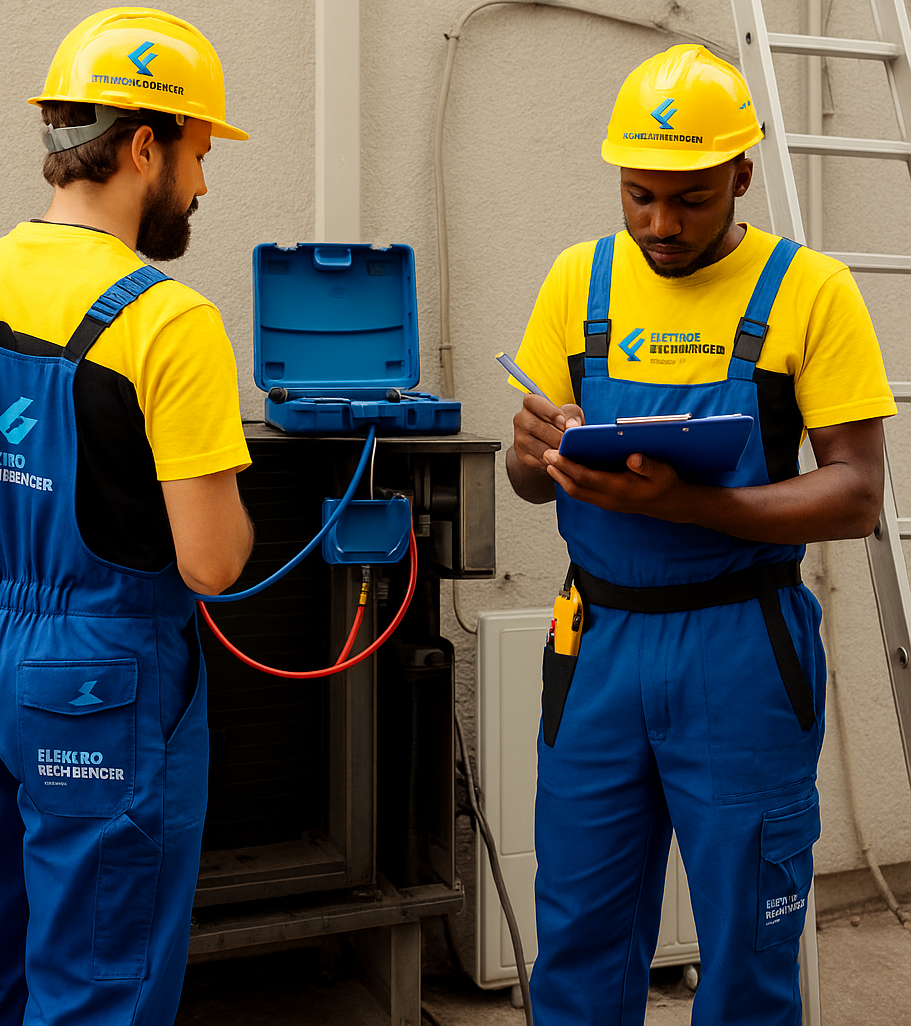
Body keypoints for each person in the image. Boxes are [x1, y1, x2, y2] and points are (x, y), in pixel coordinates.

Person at [506, 44, 896, 1025]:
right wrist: (527, 451)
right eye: (638, 196)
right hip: (595, 641)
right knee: (581, 931)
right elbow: (525, 480)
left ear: (741, 175)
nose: (658, 225)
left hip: (740, 647)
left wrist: (691, 506)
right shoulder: (575, 280)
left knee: (746, 944)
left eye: (687, 198)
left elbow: (854, 495)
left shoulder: (811, 292)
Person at [0, 8, 254, 1025]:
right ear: (146, 145)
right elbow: (214, 564)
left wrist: (17, 520)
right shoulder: (167, 319)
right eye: (200, 150)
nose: (205, 182)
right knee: (98, 984)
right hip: (98, 676)